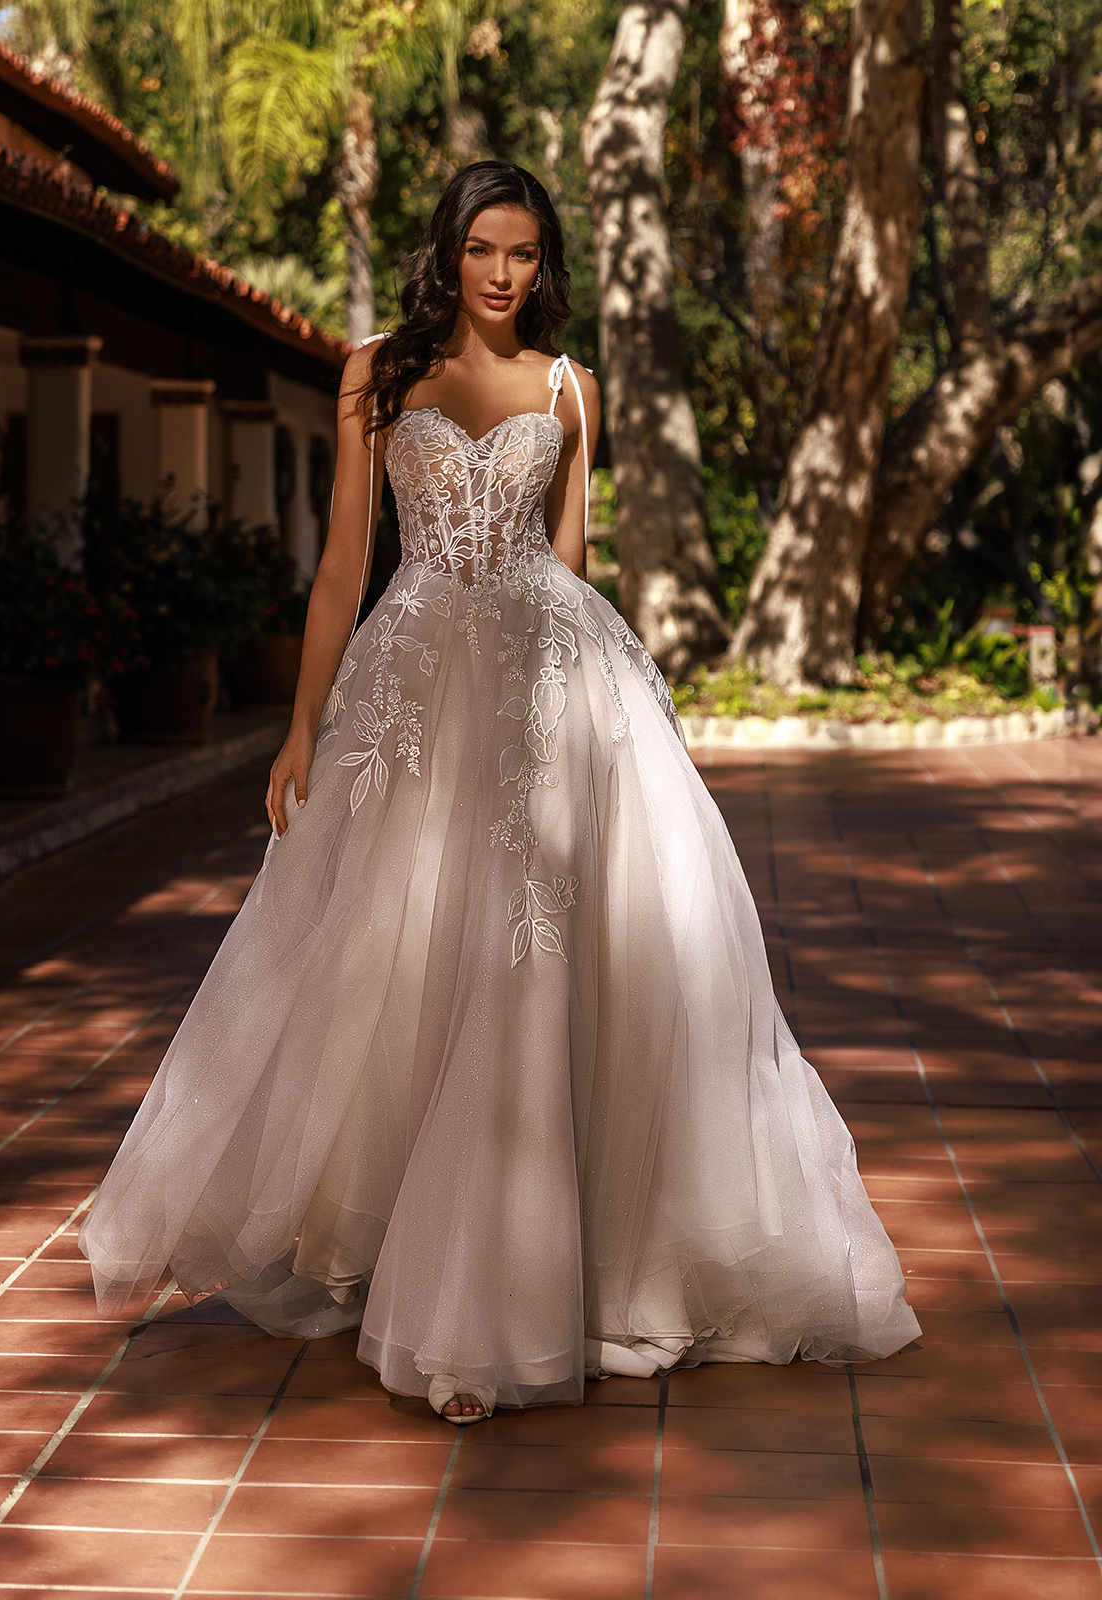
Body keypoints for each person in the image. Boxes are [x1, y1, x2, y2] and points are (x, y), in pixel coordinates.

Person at [80, 160, 920, 1424]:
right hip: (410, 690)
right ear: (449, 249)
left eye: (525, 252)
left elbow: (571, 564)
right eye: (483, 247)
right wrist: (300, 728)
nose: (504, 273)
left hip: (547, 691)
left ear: (547, 262)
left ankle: (514, 1287)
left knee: (527, 966)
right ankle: (393, 1237)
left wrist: (590, 722)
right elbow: (339, 570)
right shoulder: (376, 368)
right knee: (387, 957)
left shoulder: (574, 388)